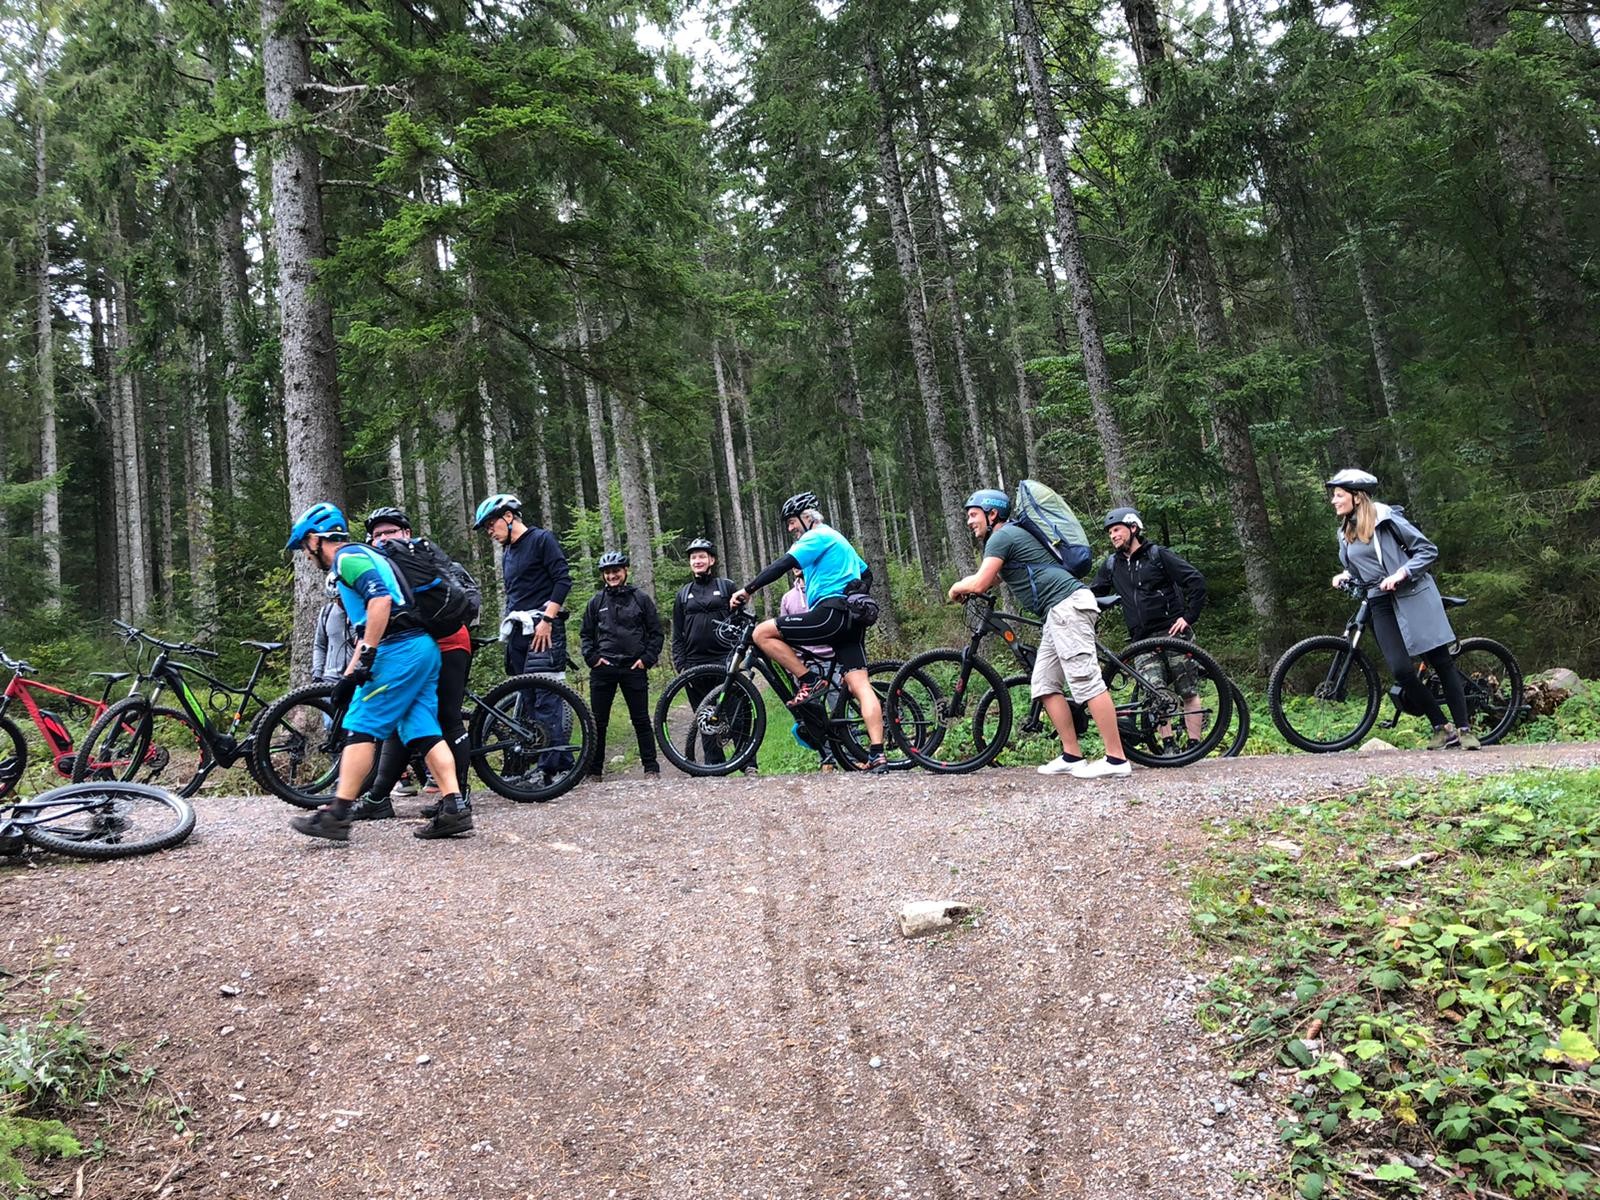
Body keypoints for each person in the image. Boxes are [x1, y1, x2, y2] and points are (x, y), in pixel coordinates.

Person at [282, 502, 471, 841]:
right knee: (423, 728)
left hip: (397, 651)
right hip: (421, 648)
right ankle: (454, 807)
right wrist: (348, 676)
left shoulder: (347, 558)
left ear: (315, 539)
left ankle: (337, 814)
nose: (307, 556)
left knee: (361, 726)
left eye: (305, 547)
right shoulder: (368, 554)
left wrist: (367, 657)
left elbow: (380, 602)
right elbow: (366, 626)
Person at [948, 489, 1130, 779]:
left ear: (992, 514)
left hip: (1067, 606)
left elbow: (981, 583)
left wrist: (956, 588)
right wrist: (967, 586)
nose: (969, 521)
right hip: (1056, 613)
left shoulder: (1002, 536)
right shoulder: (1007, 537)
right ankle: (1072, 755)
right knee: (1044, 683)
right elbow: (992, 578)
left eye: (973, 515)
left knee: (1085, 680)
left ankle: (1117, 759)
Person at [729, 491, 888, 774]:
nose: (790, 528)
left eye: (792, 522)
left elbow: (782, 565)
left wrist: (748, 590)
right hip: (850, 620)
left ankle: (809, 680)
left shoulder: (817, 535)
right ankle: (877, 755)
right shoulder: (838, 538)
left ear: (807, 517)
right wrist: (858, 590)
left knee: (762, 633)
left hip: (830, 613)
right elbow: (867, 574)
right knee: (859, 685)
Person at [1325, 469, 1477, 750]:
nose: (1334, 500)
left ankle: (1465, 729)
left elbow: (1427, 551)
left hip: (1412, 596)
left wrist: (1401, 574)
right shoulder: (1344, 532)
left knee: (1441, 662)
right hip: (1379, 601)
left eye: (1338, 495)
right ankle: (1442, 728)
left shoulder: (1386, 520)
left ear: (1357, 497)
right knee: (1401, 671)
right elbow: (1360, 568)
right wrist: (1345, 575)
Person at [349, 507, 475, 821]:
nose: (383, 538)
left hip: (448, 643)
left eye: (390, 531)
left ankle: (458, 797)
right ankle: (378, 797)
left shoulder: (420, 556)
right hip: (418, 649)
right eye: (377, 534)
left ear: (406, 533)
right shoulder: (383, 567)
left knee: (447, 718)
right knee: (401, 719)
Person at [473, 493, 576, 779]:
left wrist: (548, 620)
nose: (490, 532)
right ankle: (551, 764)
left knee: (547, 699)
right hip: (519, 631)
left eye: (491, 525)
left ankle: (553, 768)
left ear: (508, 516)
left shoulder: (541, 539)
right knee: (528, 700)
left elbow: (563, 580)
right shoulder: (508, 551)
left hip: (543, 629)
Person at [1088, 507, 1208, 746]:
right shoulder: (1112, 565)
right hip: (1141, 640)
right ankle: (1168, 744)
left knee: (1188, 691)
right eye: (1110, 532)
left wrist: (1188, 617)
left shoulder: (1157, 555)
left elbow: (1195, 580)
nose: (1113, 536)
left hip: (1172, 633)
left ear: (1133, 528)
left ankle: (1194, 744)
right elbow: (1093, 595)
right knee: (1155, 694)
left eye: (1117, 530)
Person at [669, 536, 751, 771]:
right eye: (694, 557)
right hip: (695, 664)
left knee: (737, 714)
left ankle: (747, 763)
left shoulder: (726, 587)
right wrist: (680, 664)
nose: (697, 561)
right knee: (705, 718)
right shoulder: (683, 594)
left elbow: (741, 622)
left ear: (711, 560)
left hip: (725, 660)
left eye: (702, 557)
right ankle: (714, 766)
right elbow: (677, 633)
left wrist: (738, 655)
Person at [580, 551, 663, 777]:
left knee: (641, 720)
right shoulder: (596, 601)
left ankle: (651, 768)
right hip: (603, 669)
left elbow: (656, 632)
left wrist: (646, 659)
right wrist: (592, 659)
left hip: (633, 668)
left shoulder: (640, 598)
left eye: (616, 571)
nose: (612, 576)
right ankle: (594, 771)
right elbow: (586, 634)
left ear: (625, 571)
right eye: (607, 572)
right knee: (598, 722)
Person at [780, 568, 839, 771]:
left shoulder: (825, 590)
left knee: (839, 709)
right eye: (794, 562)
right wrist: (793, 668)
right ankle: (827, 759)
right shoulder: (788, 598)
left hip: (830, 660)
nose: (798, 566)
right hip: (803, 666)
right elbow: (784, 635)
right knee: (813, 716)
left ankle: (851, 755)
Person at [311, 571, 354, 685]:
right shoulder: (327, 612)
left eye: (343, 598)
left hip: (356, 678)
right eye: (336, 598)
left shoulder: (364, 615)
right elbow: (320, 645)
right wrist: (317, 673)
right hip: (330, 678)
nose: (340, 602)